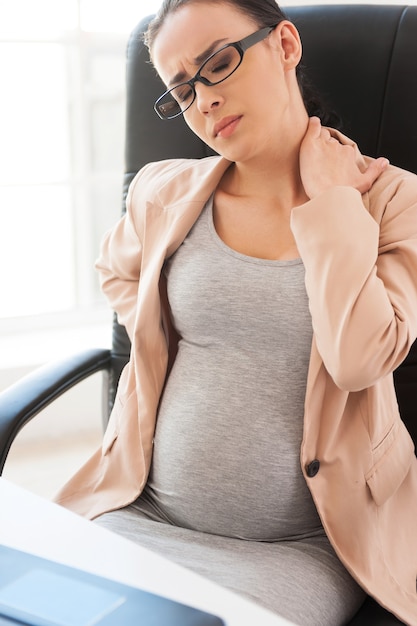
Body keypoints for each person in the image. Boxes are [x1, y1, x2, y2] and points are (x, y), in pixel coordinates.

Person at [55, 1, 417, 624]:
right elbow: (117, 273)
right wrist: (158, 335)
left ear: (283, 45)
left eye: (218, 63)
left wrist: (332, 202)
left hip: (298, 550)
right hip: (140, 517)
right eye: (181, 90)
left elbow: (359, 360)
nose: (204, 102)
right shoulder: (162, 191)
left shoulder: (389, 200)